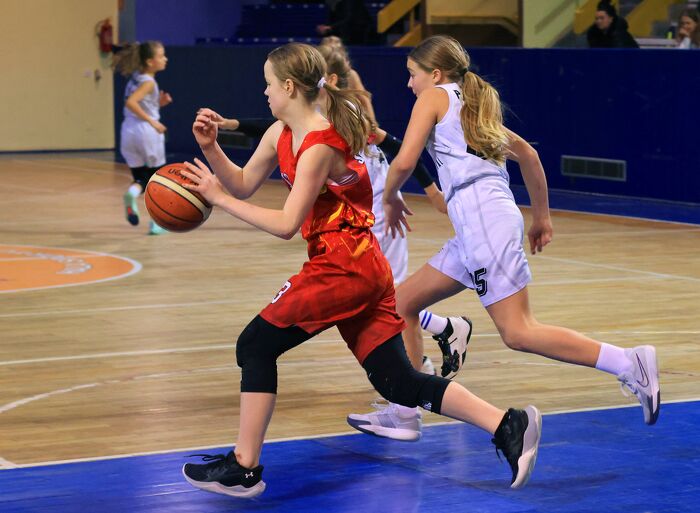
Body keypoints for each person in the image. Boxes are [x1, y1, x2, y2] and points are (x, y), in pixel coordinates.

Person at [179, 42, 542, 498]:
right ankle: (507, 423)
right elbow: (244, 183)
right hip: (360, 266)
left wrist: (217, 199)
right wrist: (212, 149)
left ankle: (244, 466)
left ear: (288, 87)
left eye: (268, 84)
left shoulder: (319, 145)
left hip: (343, 266)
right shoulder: (280, 132)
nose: (264, 92)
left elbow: (286, 225)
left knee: (254, 345)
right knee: (398, 381)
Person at [377, 35, 659, 441]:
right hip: (480, 223)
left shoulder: (434, 96)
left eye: (412, 74)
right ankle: (405, 409)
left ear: (435, 74)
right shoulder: (470, 107)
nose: (409, 84)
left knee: (518, 332)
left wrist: (389, 197)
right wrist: (540, 217)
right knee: (401, 303)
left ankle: (629, 363)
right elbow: (529, 155)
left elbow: (405, 160)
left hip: (483, 223)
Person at [112, 41, 172, 235]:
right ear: (150, 61)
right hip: (146, 132)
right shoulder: (149, 82)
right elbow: (132, 102)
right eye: (161, 56)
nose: (165, 59)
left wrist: (158, 104)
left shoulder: (135, 79)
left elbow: (139, 105)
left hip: (128, 131)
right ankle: (156, 223)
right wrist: (153, 122)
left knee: (140, 178)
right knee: (157, 179)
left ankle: (132, 194)